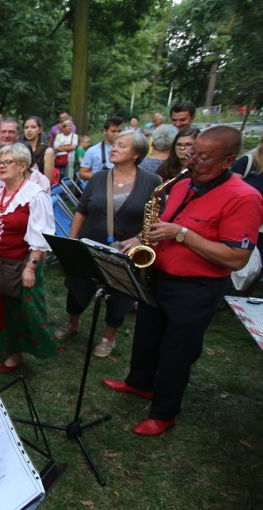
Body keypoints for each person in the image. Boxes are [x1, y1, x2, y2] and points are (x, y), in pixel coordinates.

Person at [104, 126, 262, 436]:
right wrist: (142, 237)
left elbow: (235, 258)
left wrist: (182, 234)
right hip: (159, 275)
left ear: (228, 160)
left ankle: (164, 413)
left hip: (196, 287)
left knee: (177, 350)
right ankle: (140, 384)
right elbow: (162, 223)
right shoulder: (182, 183)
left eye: (203, 157)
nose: (192, 161)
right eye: (191, 153)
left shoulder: (244, 198)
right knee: (146, 336)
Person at [54, 130, 162, 357]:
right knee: (77, 287)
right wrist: (72, 243)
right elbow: (81, 211)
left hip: (124, 252)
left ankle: (108, 336)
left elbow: (157, 220)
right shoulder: (99, 177)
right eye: (114, 144)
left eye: (122, 146)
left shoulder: (152, 182)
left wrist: (140, 239)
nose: (114, 148)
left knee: (121, 295)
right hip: (89, 245)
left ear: (136, 154)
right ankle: (73, 323)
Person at [0, 143, 57, 373]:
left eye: (6, 162)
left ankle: (20, 350)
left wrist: (30, 268)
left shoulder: (34, 195)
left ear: (22, 166)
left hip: (20, 263)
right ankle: (5, 348)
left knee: (20, 312)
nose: (0, 167)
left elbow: (42, 236)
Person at [79, 116, 124, 181]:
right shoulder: (92, 151)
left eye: (119, 131)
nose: (117, 134)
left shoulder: (126, 150)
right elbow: (82, 173)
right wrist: (103, 178)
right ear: (105, 131)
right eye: (113, 131)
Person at [23, 116, 56, 181]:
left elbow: (48, 181)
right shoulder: (20, 149)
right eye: (26, 127)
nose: (29, 130)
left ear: (40, 129)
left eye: (33, 127)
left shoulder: (47, 151)